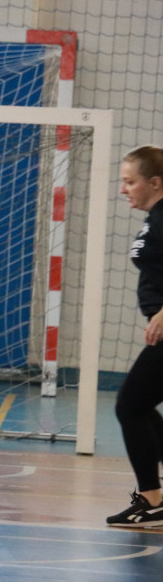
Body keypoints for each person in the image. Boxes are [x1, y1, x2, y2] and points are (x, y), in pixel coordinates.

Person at [107, 145, 163, 528]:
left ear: (155, 182)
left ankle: (151, 499)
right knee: (136, 405)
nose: (123, 189)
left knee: (130, 405)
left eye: (130, 181)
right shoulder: (155, 217)